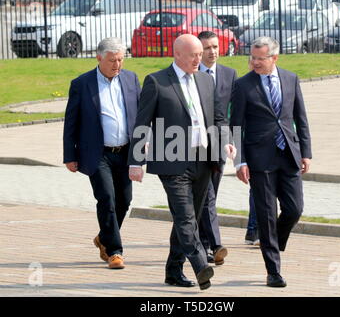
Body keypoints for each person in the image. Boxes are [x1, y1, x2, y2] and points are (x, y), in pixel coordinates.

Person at [128, 34, 235, 290]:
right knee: (185, 217)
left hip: (203, 159)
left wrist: (227, 140)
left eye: (200, 54)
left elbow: (218, 117)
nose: (200, 59)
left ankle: (173, 271)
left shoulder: (205, 80)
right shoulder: (156, 81)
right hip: (171, 160)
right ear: (177, 54)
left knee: (189, 218)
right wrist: (135, 161)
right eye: (193, 55)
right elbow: (141, 123)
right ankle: (200, 265)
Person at [230, 36, 312, 287]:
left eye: (260, 58)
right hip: (259, 158)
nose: (255, 62)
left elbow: (301, 117)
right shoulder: (243, 85)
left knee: (294, 209)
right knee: (265, 215)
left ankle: (276, 241)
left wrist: (306, 152)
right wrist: (239, 162)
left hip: (288, 154)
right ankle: (273, 270)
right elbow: (235, 126)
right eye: (252, 57)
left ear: (274, 58)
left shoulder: (290, 79)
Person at [63, 37, 141, 270]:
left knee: (124, 200)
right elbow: (71, 122)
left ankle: (103, 237)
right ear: (99, 58)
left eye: (120, 60)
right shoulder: (82, 84)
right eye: (112, 60)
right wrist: (70, 155)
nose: (117, 65)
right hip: (97, 153)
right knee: (106, 198)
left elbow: (139, 115)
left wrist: (141, 146)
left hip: (125, 151)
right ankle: (114, 251)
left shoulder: (130, 79)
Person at [197, 31, 237, 265]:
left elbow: (233, 112)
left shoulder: (229, 74)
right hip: (194, 145)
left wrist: (232, 141)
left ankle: (203, 243)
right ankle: (213, 244)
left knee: (210, 194)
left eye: (215, 46)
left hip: (219, 144)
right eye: (207, 48)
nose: (212, 52)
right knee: (207, 196)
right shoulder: (191, 74)